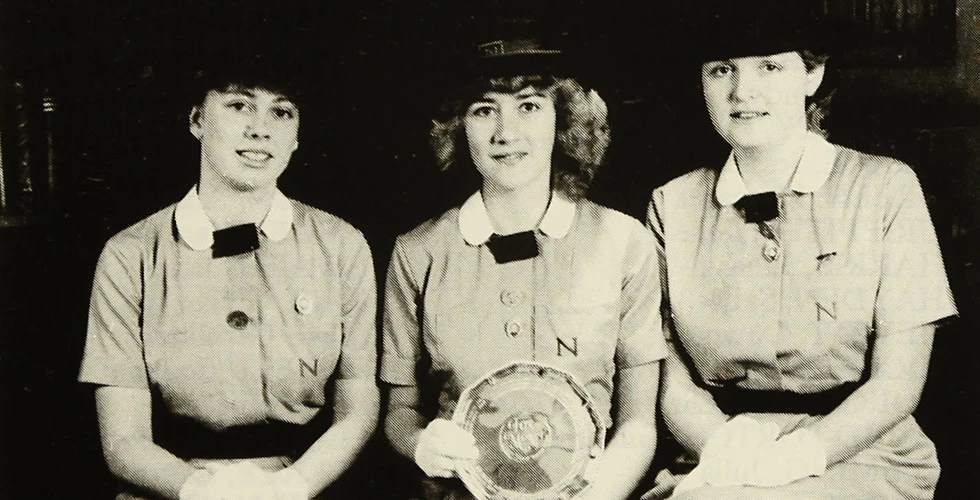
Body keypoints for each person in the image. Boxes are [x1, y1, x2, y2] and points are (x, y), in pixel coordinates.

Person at [645, 3, 958, 499]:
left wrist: (795, 457)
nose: (742, 92)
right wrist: (721, 445)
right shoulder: (673, 204)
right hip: (718, 453)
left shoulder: (885, 188)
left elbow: (899, 380)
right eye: (722, 70)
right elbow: (663, 369)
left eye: (769, 66)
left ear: (813, 74)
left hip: (862, 451)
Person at [380, 26, 667, 500]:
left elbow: (638, 423)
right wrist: (419, 444)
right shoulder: (418, 252)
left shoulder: (623, 242)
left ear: (563, 121)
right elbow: (400, 410)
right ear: (458, 126)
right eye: (484, 110)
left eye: (529, 106)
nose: (505, 133)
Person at [77, 60, 379, 500]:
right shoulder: (130, 255)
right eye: (239, 105)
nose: (261, 129)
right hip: (171, 488)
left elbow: (358, 408)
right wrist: (201, 490)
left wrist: (291, 488)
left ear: (296, 136)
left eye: (281, 112)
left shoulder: (342, 245)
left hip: (307, 485)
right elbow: (123, 442)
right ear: (197, 119)